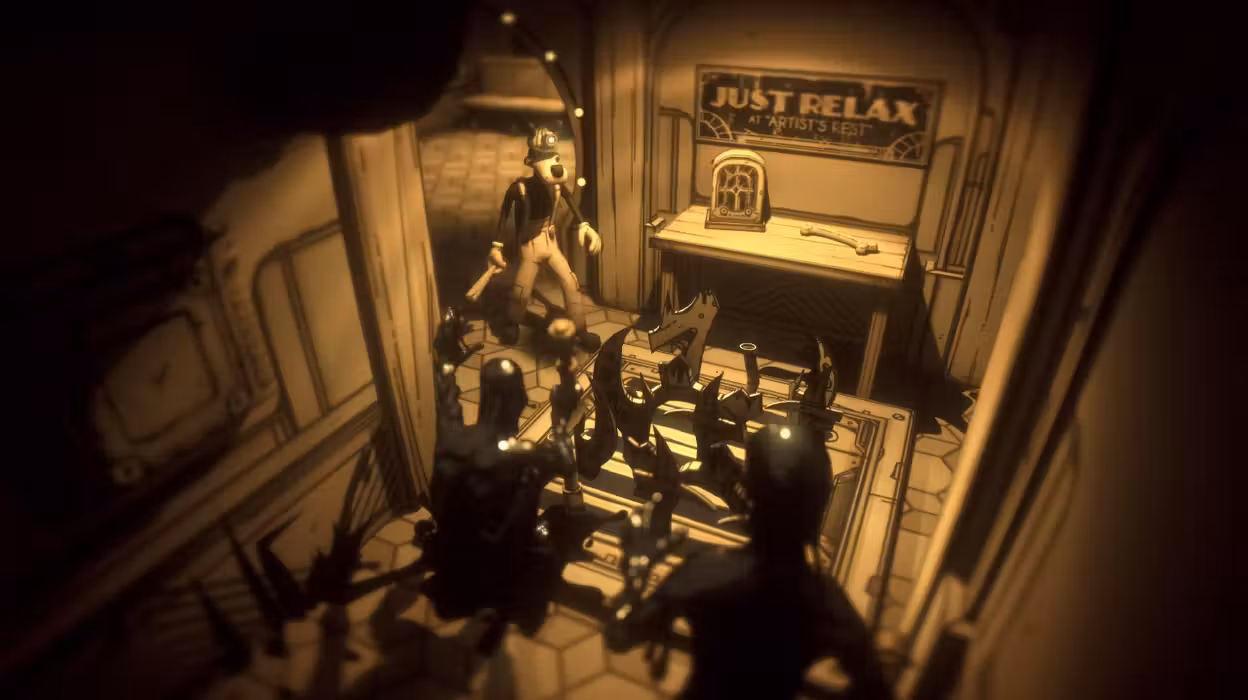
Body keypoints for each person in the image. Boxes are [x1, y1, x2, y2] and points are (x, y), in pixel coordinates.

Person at [606, 423, 891, 699]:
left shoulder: (706, 571)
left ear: (752, 493)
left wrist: (637, 568)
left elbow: (620, 635)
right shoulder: (825, 601)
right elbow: (875, 689)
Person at [490, 127, 602, 350]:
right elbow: (504, 215)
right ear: (531, 161)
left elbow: (572, 203)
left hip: (550, 243)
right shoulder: (519, 189)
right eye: (543, 157)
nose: (552, 163)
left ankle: (580, 329)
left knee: (570, 282)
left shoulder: (557, 187)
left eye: (554, 157)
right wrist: (496, 247)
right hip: (529, 246)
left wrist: (586, 226)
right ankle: (512, 322)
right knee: (521, 290)